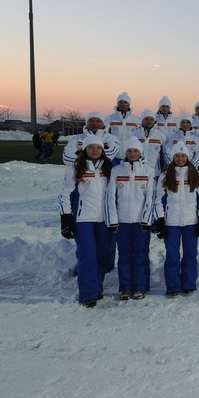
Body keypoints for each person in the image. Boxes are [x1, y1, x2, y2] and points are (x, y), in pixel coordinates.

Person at [59, 135, 117, 307]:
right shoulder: (76, 167)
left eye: (98, 147)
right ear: (85, 149)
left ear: (102, 150)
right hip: (83, 219)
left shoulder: (109, 168)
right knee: (87, 256)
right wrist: (66, 218)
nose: (94, 150)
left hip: (104, 220)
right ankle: (88, 294)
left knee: (101, 256)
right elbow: (65, 195)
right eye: (91, 147)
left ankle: (97, 288)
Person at [154, 143, 199, 297]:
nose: (180, 159)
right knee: (172, 256)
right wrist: (161, 221)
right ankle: (173, 287)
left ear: (187, 157)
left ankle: (189, 285)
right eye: (177, 156)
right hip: (171, 223)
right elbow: (158, 199)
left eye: (183, 156)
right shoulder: (165, 175)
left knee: (190, 255)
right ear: (173, 157)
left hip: (191, 222)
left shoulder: (196, 174)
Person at [107, 136, 155, 300]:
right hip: (122, 221)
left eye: (135, 151)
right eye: (129, 151)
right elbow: (110, 197)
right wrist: (113, 221)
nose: (132, 154)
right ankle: (126, 287)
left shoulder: (148, 171)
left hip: (141, 222)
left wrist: (147, 220)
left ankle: (140, 286)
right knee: (124, 254)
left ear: (140, 152)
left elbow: (150, 197)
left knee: (141, 254)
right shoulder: (117, 170)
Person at [105, 92, 141, 162]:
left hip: (130, 156)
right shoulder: (110, 118)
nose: (123, 104)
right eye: (120, 102)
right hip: (114, 155)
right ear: (117, 104)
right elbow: (104, 134)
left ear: (129, 104)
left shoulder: (136, 120)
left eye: (125, 102)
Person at [133, 109, 166, 176]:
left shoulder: (160, 135)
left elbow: (164, 153)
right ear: (142, 120)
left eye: (151, 119)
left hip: (155, 170)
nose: (149, 121)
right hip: (138, 169)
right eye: (146, 119)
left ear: (154, 121)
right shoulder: (135, 134)